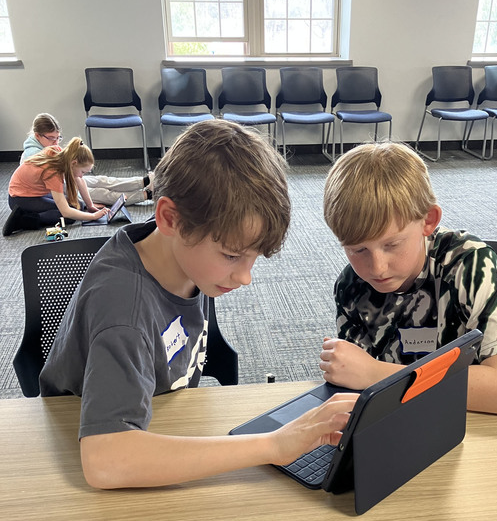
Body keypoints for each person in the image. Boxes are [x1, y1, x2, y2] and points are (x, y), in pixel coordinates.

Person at [39, 118, 358, 489]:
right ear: (170, 218)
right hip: (90, 444)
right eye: (231, 255)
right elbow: (105, 461)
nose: (245, 278)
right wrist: (273, 445)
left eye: (253, 258)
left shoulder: (179, 256)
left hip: (160, 414)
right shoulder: (124, 313)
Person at [320, 141, 497, 417]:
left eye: (392, 245)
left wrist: (375, 373)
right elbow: (355, 390)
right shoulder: (352, 285)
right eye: (358, 250)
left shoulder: (468, 264)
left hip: (473, 422)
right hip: (401, 422)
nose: (377, 268)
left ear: (428, 221)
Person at [20, 113, 153, 206]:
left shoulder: (50, 147)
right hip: (56, 188)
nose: (56, 143)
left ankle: (144, 181)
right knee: (102, 193)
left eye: (58, 138)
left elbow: (76, 178)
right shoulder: (33, 156)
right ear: (37, 136)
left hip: (66, 179)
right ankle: (147, 194)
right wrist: (84, 203)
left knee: (102, 180)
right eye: (51, 138)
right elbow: (61, 189)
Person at [5, 137, 109, 234]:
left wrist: (90, 205)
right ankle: (22, 220)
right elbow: (66, 212)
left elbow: (79, 179)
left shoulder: (61, 153)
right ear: (73, 163)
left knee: (79, 206)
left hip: (33, 192)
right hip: (20, 198)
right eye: (83, 171)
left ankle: (29, 215)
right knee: (69, 217)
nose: (83, 175)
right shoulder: (53, 172)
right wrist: (93, 216)